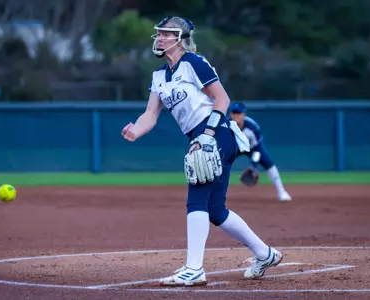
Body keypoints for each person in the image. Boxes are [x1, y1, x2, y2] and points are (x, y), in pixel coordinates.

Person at [121, 16, 283, 287]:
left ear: (180, 38)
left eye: (166, 34)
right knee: (215, 210)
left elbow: (222, 99)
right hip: (200, 136)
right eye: (159, 33)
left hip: (216, 131)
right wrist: (136, 130)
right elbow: (150, 113)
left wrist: (207, 134)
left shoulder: (194, 63)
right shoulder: (159, 76)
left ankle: (194, 268)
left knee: (196, 199)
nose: (160, 38)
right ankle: (265, 254)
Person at [229, 102, 292, 201]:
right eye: (234, 113)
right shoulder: (226, 126)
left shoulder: (252, 128)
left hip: (252, 148)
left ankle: (282, 192)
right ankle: (214, 195)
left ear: (244, 115)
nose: (236, 115)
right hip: (235, 148)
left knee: (269, 164)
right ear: (230, 114)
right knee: (221, 165)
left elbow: (257, 150)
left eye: (239, 113)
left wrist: (253, 166)